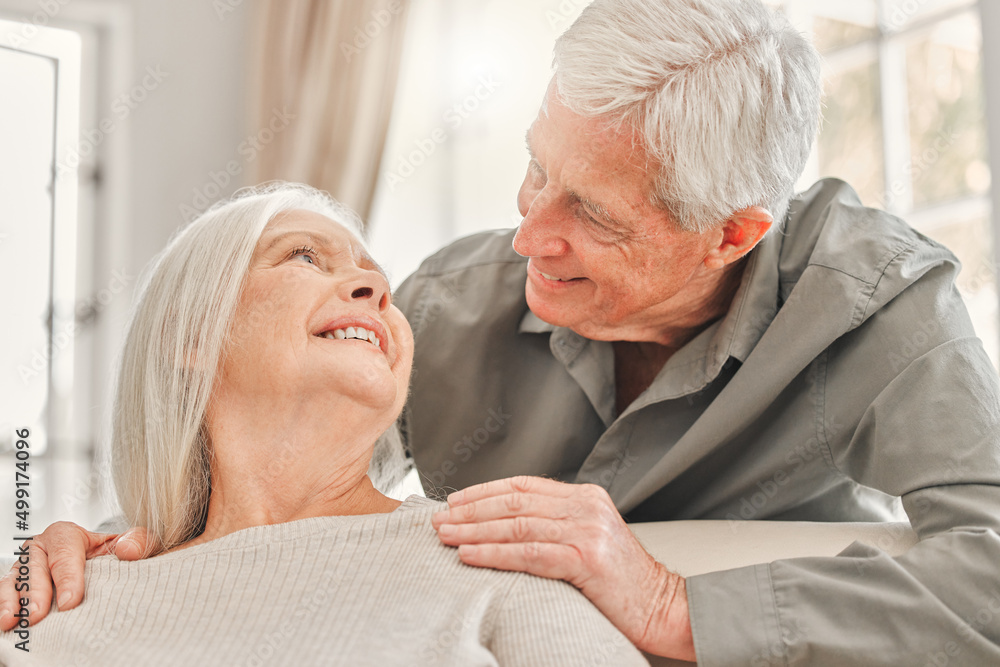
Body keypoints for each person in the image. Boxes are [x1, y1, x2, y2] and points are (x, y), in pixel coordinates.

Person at [9, 0, 1000, 663]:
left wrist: (666, 602)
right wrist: (109, 539)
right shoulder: (448, 305)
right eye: (536, 168)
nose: (528, 232)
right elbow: (279, 473)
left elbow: (990, 576)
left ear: (730, 235)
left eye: (592, 216)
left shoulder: (874, 301)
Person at [0, 184, 648, 666]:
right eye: (305, 257)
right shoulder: (60, 591)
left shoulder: (496, 558)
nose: (371, 288)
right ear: (191, 333)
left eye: (377, 278)